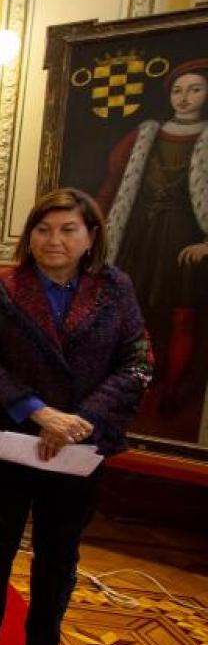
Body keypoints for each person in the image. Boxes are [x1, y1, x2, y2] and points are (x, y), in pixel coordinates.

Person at [0, 188, 153, 645]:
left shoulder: (115, 288)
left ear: (91, 237)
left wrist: (77, 421)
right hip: (14, 436)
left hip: (81, 446)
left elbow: (139, 361)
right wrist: (39, 412)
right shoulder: (3, 287)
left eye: (68, 229)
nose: (54, 240)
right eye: (44, 229)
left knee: (59, 553)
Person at [98, 59, 207, 435]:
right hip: (140, 235)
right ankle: (122, 385)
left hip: (185, 243)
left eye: (195, 89)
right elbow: (113, 187)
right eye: (178, 90)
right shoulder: (145, 135)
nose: (185, 98)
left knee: (182, 316)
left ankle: (172, 389)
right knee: (129, 312)